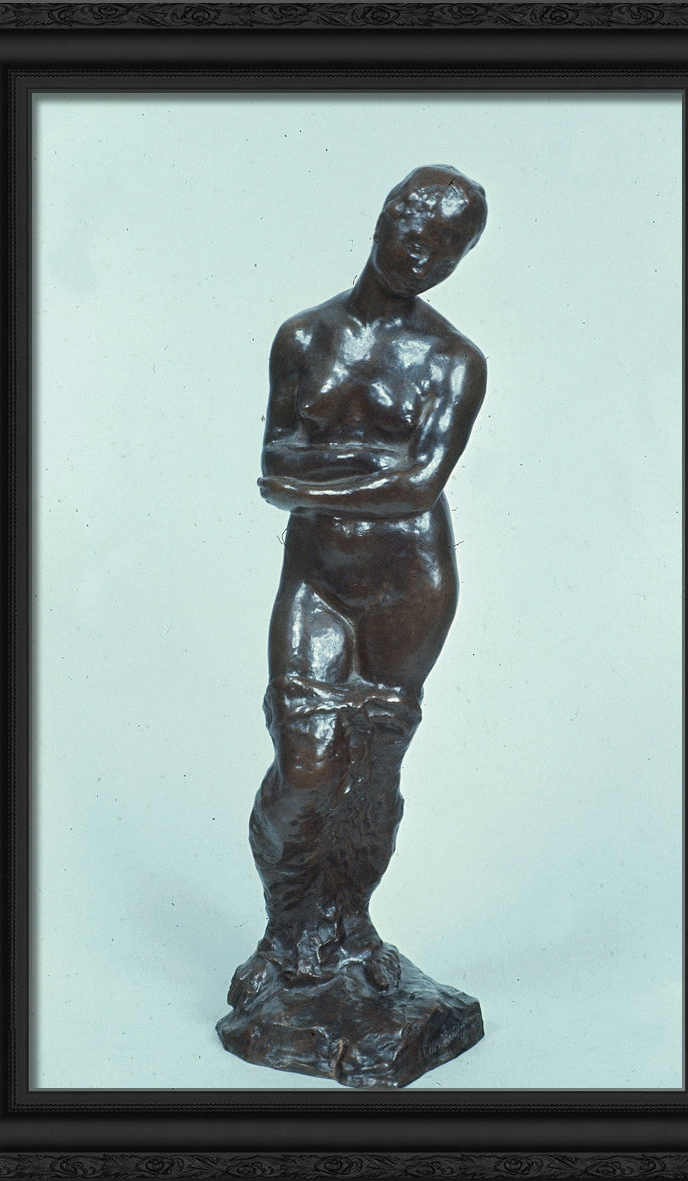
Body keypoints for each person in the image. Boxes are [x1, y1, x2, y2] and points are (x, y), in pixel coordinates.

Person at [228, 165, 488, 1012]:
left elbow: (417, 487)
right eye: (416, 226)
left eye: (448, 245)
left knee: (373, 771)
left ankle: (346, 925)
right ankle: (284, 932)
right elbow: (272, 471)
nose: (424, 251)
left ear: (458, 260)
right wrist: (371, 468)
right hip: (318, 580)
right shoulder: (303, 337)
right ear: (386, 214)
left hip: (410, 587)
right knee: (307, 762)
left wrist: (326, 471)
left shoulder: (454, 360)